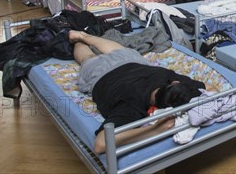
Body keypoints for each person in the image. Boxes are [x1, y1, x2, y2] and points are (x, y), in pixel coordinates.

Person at [68, 30, 206, 154]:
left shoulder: (165, 75)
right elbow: (101, 144)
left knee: (118, 51)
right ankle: (78, 41)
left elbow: (206, 88)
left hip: (129, 62)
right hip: (104, 72)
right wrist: (155, 130)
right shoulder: (132, 106)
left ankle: (83, 36)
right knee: (87, 58)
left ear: (174, 83)